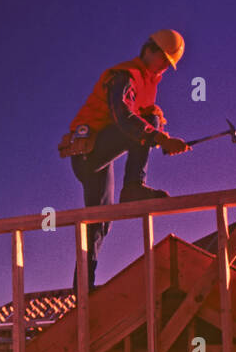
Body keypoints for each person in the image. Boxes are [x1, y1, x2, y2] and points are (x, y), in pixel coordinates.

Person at [64, 29, 192, 291]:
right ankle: (133, 185)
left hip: (100, 160)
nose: (165, 68)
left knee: (100, 222)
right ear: (150, 50)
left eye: (169, 65)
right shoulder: (125, 76)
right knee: (149, 122)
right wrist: (159, 138)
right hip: (87, 154)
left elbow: (137, 127)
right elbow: (124, 119)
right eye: (164, 61)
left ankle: (83, 289)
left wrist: (160, 139)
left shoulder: (147, 83)